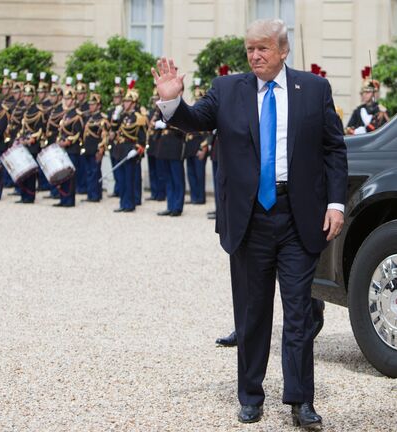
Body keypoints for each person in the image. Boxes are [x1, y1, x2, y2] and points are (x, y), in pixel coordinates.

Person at [152, 18, 347, 429]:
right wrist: (172, 103)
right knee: (252, 313)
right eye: (249, 50)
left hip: (299, 217)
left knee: (299, 314)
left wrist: (335, 203)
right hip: (248, 220)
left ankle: (300, 401)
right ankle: (251, 396)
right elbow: (194, 119)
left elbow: (334, 148)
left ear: (282, 50)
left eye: (262, 49)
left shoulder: (314, 90)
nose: (255, 56)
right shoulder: (227, 90)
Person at [112, 88, 146, 213]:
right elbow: (114, 130)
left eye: (127, 101)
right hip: (120, 150)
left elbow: (142, 139)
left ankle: (130, 204)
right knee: (121, 180)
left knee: (129, 180)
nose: (124, 103)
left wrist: (136, 150)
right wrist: (115, 117)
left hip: (130, 151)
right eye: (125, 101)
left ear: (133, 103)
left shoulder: (139, 118)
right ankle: (123, 203)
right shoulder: (123, 116)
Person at [54, 86, 83, 208]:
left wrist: (67, 142)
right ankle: (63, 198)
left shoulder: (76, 114)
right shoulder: (66, 114)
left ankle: (69, 200)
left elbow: (77, 133)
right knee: (63, 176)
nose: (67, 101)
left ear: (74, 100)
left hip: (72, 148)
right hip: (64, 148)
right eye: (65, 99)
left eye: (69, 99)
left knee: (70, 176)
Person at [16, 77, 44, 204]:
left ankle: (30, 196)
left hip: (32, 145)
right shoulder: (25, 110)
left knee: (31, 173)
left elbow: (38, 130)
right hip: (24, 145)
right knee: (23, 171)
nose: (26, 98)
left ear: (33, 97)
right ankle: (23, 195)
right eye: (25, 96)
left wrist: (29, 140)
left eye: (28, 96)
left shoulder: (37, 111)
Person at [184, 79, 210, 205]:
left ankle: (200, 197)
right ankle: (194, 196)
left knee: (199, 174)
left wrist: (204, 148)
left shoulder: (207, 114)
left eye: (198, 98)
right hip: (190, 146)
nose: (196, 101)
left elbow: (208, 133)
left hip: (200, 146)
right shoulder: (194, 111)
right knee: (191, 173)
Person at [81, 85, 108, 202]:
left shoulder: (102, 118)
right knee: (88, 172)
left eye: (93, 104)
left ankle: (96, 195)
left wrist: (101, 150)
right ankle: (90, 194)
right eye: (90, 104)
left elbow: (104, 136)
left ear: (99, 105)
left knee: (95, 172)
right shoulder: (88, 117)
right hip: (87, 148)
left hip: (96, 149)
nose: (90, 106)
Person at [345, 70, 389, 135]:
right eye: (363, 92)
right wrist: (352, 131)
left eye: (368, 92)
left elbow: (384, 130)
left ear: (374, 94)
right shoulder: (358, 110)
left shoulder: (381, 110)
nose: (365, 95)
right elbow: (348, 128)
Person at [145, 85, 167, 201]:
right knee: (152, 170)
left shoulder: (162, 110)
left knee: (160, 171)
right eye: (154, 99)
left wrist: (156, 124)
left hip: (159, 144)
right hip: (151, 144)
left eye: (156, 99)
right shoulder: (152, 112)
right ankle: (154, 192)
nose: (155, 101)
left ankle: (161, 193)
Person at [106, 77, 124, 198]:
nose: (115, 99)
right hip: (112, 142)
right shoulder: (111, 111)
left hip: (120, 142)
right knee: (114, 167)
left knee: (120, 167)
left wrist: (115, 133)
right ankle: (117, 189)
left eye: (117, 97)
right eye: (114, 97)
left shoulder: (123, 111)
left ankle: (121, 189)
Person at [75, 73, 90, 195]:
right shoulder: (75, 106)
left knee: (85, 166)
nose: (79, 96)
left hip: (85, 139)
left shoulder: (87, 106)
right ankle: (78, 186)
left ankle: (83, 187)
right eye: (78, 93)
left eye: (81, 93)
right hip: (76, 139)